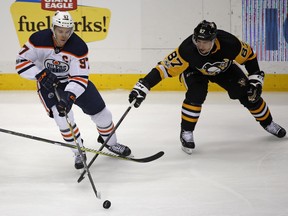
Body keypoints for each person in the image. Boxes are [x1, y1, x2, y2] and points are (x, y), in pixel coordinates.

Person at [128, 20, 286, 154]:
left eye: (205, 42)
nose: (201, 46)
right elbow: (164, 68)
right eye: (199, 41)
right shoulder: (187, 49)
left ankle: (268, 123)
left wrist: (255, 78)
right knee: (197, 93)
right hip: (194, 71)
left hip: (224, 69)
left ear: (214, 39)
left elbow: (249, 56)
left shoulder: (230, 43)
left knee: (248, 93)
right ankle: (186, 131)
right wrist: (144, 85)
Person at [16, 11, 132, 169]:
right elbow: (21, 61)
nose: (64, 35)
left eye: (67, 31)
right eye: (60, 31)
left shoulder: (78, 46)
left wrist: (69, 96)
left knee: (103, 115)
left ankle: (110, 143)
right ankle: (78, 152)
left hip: (73, 82)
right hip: (49, 84)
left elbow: (79, 76)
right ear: (53, 29)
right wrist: (40, 74)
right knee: (63, 119)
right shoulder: (38, 39)